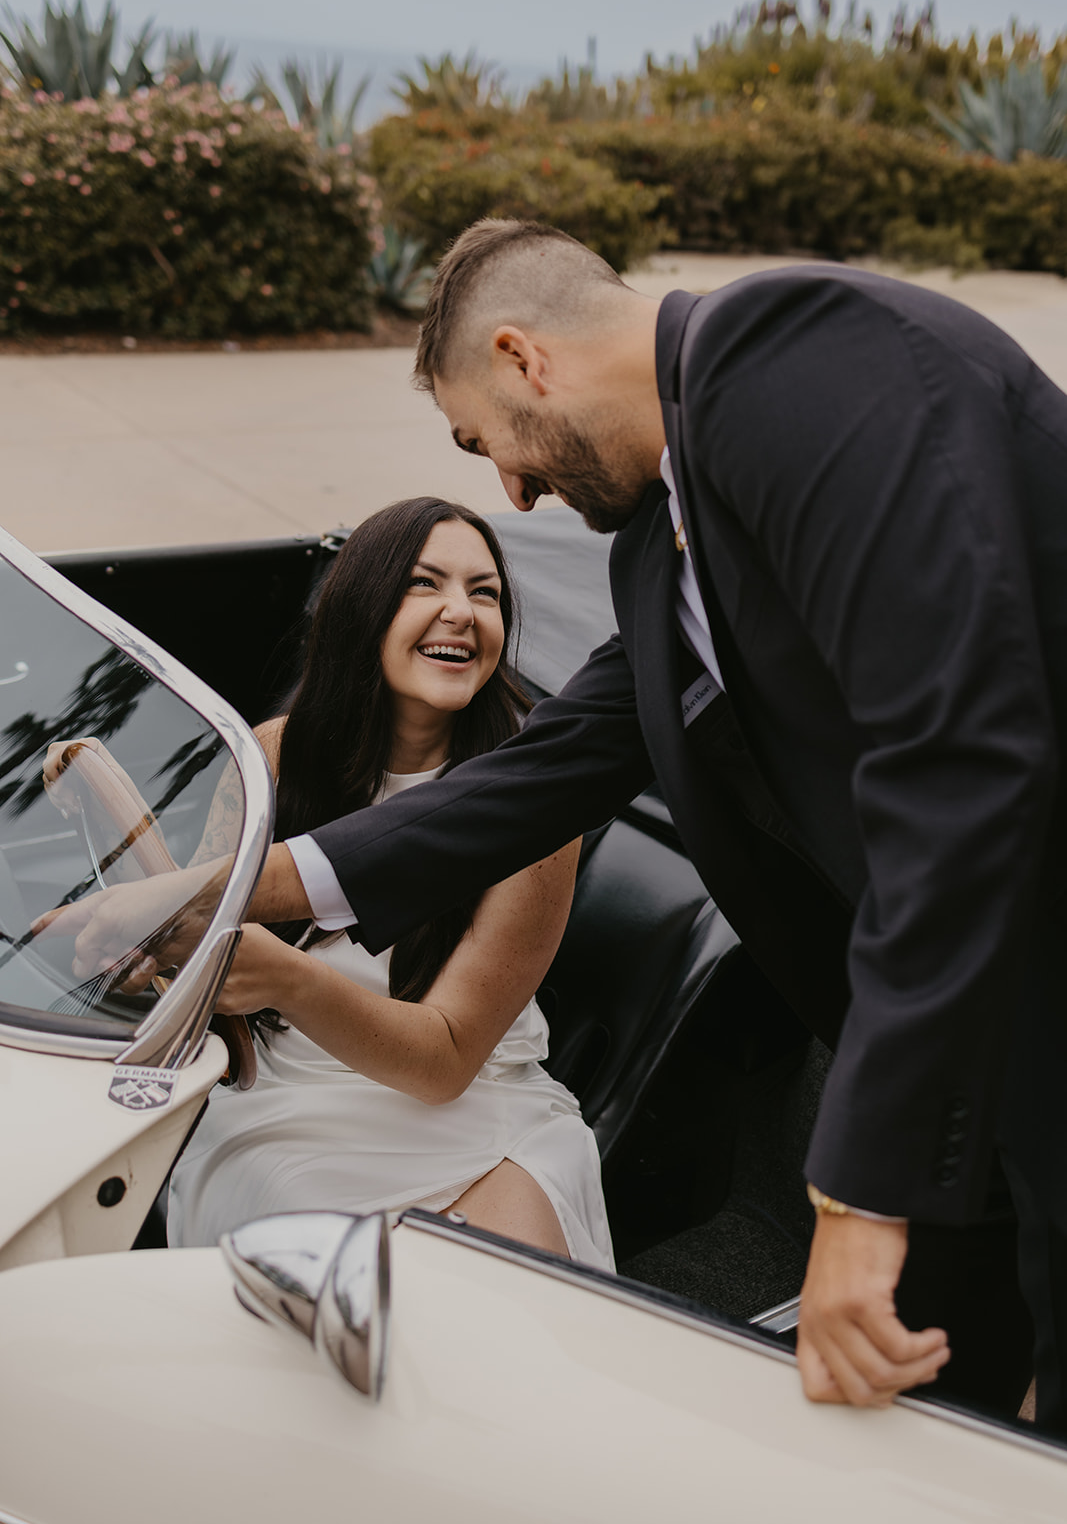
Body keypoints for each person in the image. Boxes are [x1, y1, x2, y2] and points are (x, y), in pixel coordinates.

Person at [62, 221, 1067, 1428]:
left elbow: (955, 764)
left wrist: (856, 1193)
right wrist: (212, 898)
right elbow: (531, 778)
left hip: (1007, 983)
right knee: (924, 1416)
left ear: (522, 356)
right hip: (963, 1035)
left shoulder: (802, 353)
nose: (515, 492)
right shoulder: (657, 548)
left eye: (488, 442)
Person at [50, 497, 613, 1268]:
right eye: (426, 584)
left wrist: (286, 977)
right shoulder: (274, 756)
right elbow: (203, 971)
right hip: (280, 1109)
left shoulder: (536, 803)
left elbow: (445, 1063)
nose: (461, 612)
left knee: (518, 1311)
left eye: (485, 593)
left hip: (482, 1108)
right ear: (362, 609)